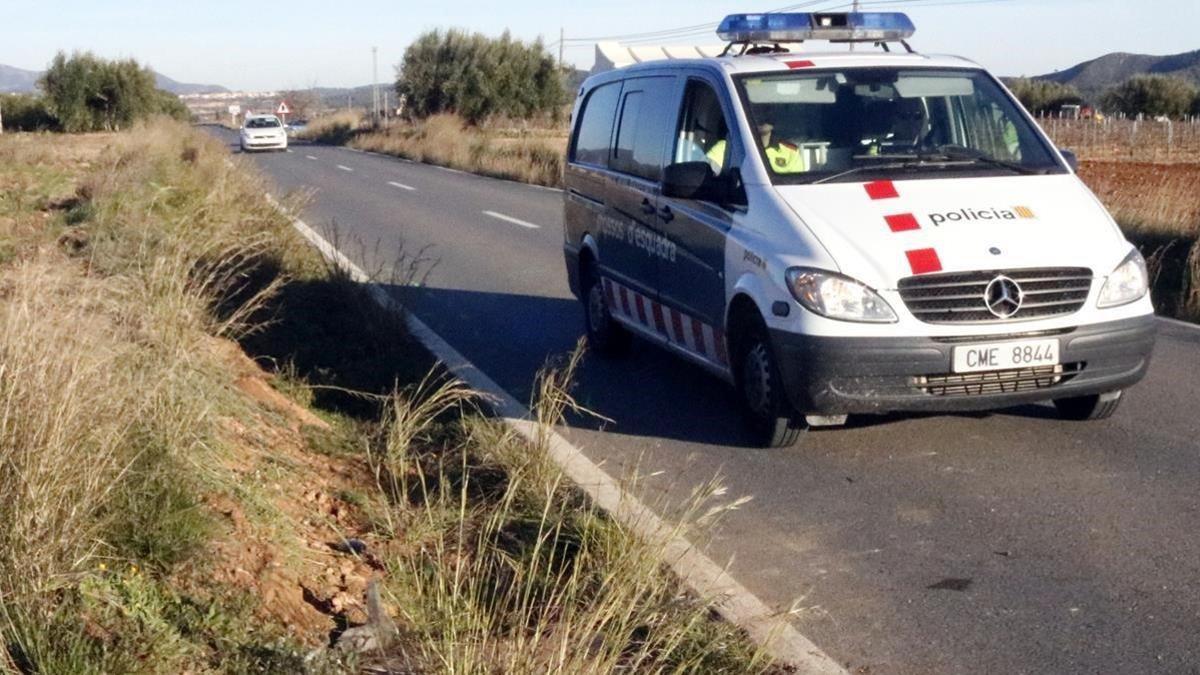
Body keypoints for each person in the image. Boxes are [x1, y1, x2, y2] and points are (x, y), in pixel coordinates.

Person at [706, 122, 806, 174]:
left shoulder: (790, 151)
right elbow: (705, 180)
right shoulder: (725, 148)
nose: (763, 117)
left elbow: (799, 187)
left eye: (767, 111)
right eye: (757, 110)